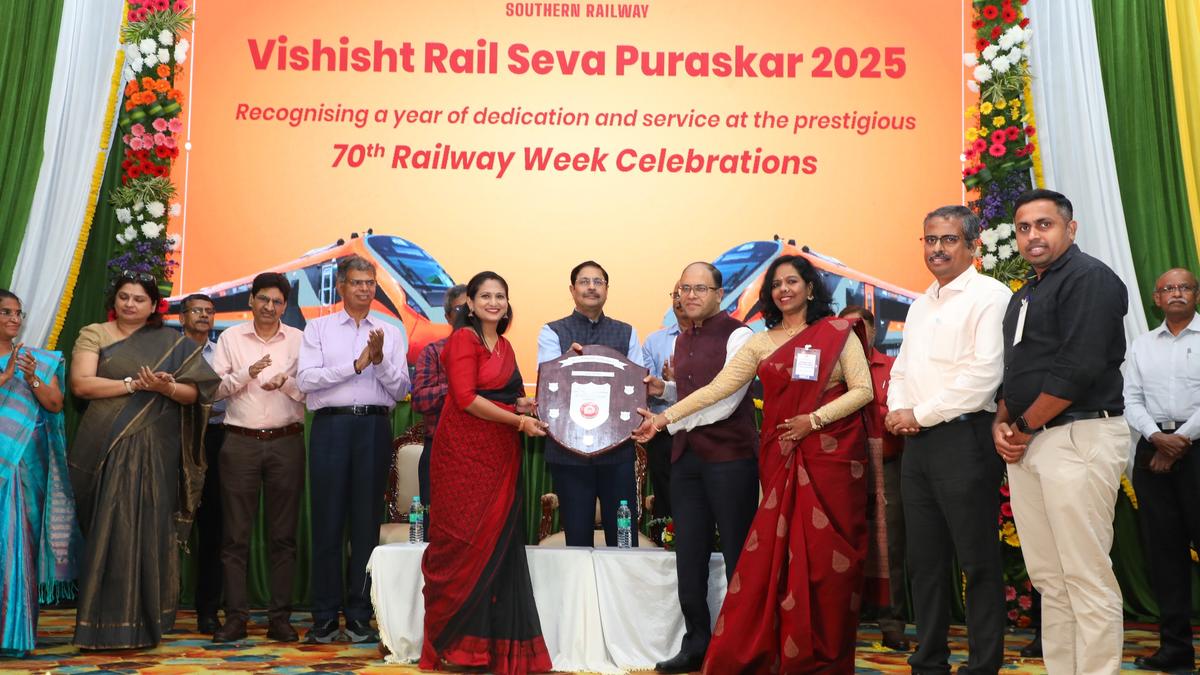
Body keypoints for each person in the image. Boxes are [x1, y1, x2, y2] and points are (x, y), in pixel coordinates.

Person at [635, 254, 873, 673]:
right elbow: (718, 388)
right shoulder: (762, 342)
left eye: (792, 282)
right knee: (776, 558)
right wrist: (662, 418)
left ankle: (824, 654)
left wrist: (815, 420)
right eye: (776, 284)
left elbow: (863, 390)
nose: (783, 290)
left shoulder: (836, 333)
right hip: (781, 458)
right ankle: (774, 645)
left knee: (825, 561)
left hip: (829, 460)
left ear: (810, 288)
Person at [992, 189, 1130, 675]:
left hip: (1079, 435)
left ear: (1070, 229)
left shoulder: (1090, 278)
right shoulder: (1025, 294)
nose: (1033, 235)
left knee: (1085, 574)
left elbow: (1079, 367)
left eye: (1044, 224)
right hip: (1031, 442)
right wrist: (1002, 422)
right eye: (1024, 227)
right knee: (1050, 579)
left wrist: (1023, 426)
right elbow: (1016, 371)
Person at [884, 206, 1011, 674]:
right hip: (917, 445)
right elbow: (901, 370)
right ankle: (929, 660)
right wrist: (900, 412)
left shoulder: (991, 296)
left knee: (977, 561)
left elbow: (984, 375)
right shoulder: (921, 304)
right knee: (924, 561)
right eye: (930, 239)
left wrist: (917, 414)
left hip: (965, 440)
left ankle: (983, 665)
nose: (937, 249)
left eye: (949, 239)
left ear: (973, 245)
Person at [68, 271, 218, 649]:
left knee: (151, 527)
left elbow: (194, 394)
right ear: (114, 300)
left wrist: (166, 386)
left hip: (157, 449)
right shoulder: (95, 334)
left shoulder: (172, 342)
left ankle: (148, 621)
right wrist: (133, 384)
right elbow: (81, 384)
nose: (130, 304)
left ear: (153, 306)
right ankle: (101, 624)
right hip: (107, 446)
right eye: (124, 297)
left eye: (139, 299)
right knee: (110, 527)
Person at [420, 271, 552, 674]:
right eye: (485, 297)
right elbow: (465, 399)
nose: (494, 303)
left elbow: (508, 397)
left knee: (498, 544)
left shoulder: (506, 346)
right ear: (471, 305)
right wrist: (519, 421)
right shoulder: (464, 339)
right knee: (462, 543)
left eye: (500, 296)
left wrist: (523, 408)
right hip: (462, 455)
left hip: (501, 455)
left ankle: (490, 649)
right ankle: (453, 647)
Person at [643, 263, 757, 674]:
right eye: (684, 289)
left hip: (731, 459)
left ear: (719, 294)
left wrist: (667, 419)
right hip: (687, 460)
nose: (689, 296)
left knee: (738, 554)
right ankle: (696, 643)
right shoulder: (682, 338)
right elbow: (694, 394)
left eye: (699, 288)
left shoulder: (740, 335)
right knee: (688, 555)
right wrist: (666, 390)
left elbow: (725, 399)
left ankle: (743, 646)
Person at [298, 255, 410, 643]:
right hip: (331, 426)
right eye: (357, 282)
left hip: (373, 427)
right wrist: (356, 365)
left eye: (370, 283)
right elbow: (307, 380)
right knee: (327, 523)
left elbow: (401, 389)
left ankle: (361, 615)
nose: (365, 289)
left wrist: (379, 362)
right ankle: (325, 616)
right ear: (342, 286)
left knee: (365, 524)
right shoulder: (318, 328)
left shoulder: (390, 332)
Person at [209, 273, 306, 643]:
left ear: (285, 306)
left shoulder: (299, 339)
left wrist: (287, 383)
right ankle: (236, 618)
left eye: (277, 302)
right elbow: (214, 390)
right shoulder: (231, 338)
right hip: (240, 442)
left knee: (284, 536)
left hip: (286, 442)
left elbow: (311, 391)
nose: (269, 307)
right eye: (263, 299)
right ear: (251, 300)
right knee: (235, 536)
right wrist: (244, 375)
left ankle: (279, 619)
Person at [537, 260, 646, 547]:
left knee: (623, 538)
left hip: (617, 449)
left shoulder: (627, 332)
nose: (591, 287)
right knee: (577, 537)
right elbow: (547, 384)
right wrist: (566, 362)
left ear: (607, 289)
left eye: (598, 282)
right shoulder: (552, 331)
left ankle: (621, 578)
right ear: (572, 290)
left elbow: (637, 384)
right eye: (584, 282)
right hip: (568, 450)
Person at [1124, 268, 1200, 672]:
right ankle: (1175, 649)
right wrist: (1156, 437)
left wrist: (1178, 441)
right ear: (1156, 299)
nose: (1176, 293)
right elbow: (1130, 398)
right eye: (1168, 288)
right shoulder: (1142, 345)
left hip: (1196, 448)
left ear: (1196, 294)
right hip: (1151, 450)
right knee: (1164, 554)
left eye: (1184, 287)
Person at [0, 290, 79, 657]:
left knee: (17, 543)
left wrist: (30, 377)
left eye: (18, 313)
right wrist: (5, 377)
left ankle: (13, 635)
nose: (14, 319)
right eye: (6, 312)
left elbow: (56, 404)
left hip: (23, 464)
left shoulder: (37, 360)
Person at [838, 305, 909, 652]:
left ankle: (891, 623)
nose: (853, 334)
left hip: (886, 464)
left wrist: (859, 409)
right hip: (841, 467)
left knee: (889, 545)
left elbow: (895, 413)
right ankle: (842, 622)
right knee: (841, 544)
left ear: (873, 331)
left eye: (860, 327)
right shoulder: (832, 369)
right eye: (845, 328)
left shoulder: (893, 367)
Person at [179, 292, 225, 635]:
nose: (203, 316)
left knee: (213, 527)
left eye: (209, 311)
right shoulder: (168, 350)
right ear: (182, 317)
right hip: (174, 438)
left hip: (216, 437)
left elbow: (226, 394)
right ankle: (160, 606)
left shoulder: (222, 352)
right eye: (196, 310)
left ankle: (208, 610)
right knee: (168, 523)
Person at [411, 283, 468, 539]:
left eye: (471, 308)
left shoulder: (496, 351)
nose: (467, 314)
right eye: (460, 309)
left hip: (483, 453)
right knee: (436, 532)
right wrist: (458, 387)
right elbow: (420, 400)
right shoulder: (433, 352)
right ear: (447, 317)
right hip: (441, 449)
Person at [639, 286, 689, 521]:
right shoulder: (654, 341)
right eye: (676, 294)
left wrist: (678, 382)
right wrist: (670, 385)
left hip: (702, 430)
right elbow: (645, 388)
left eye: (687, 291)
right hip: (663, 432)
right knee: (666, 502)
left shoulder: (718, 341)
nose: (681, 299)